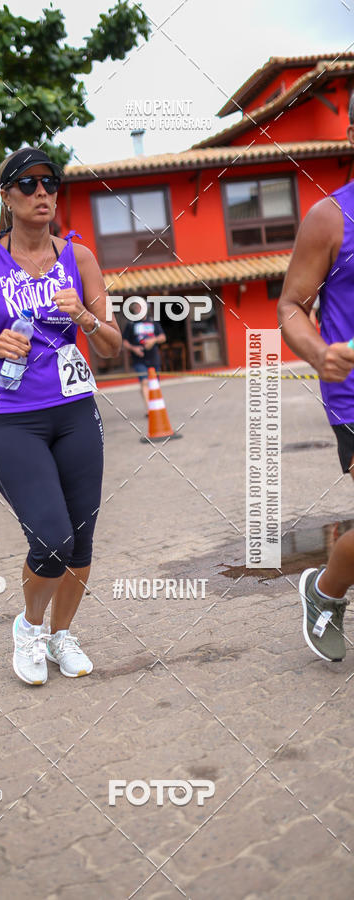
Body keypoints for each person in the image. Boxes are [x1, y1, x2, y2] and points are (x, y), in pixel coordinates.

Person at [0, 146, 122, 685]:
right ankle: (30, 628)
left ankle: (61, 635)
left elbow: (111, 344)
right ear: (7, 196)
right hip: (13, 417)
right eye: (28, 184)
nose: (42, 193)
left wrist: (84, 316)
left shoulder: (79, 257)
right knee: (51, 540)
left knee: (82, 541)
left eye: (50, 183)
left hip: (75, 412)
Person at [278, 96, 354, 662]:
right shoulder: (330, 217)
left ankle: (326, 588)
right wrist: (319, 351)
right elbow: (290, 306)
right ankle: (326, 591)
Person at [122, 304, 166, 415]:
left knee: (154, 384)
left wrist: (153, 340)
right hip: (139, 359)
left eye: (140, 307)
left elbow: (163, 337)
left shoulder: (153, 322)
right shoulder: (131, 324)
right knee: (145, 381)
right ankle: (150, 410)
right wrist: (134, 348)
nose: (138, 310)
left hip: (153, 358)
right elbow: (124, 342)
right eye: (136, 308)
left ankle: (156, 406)